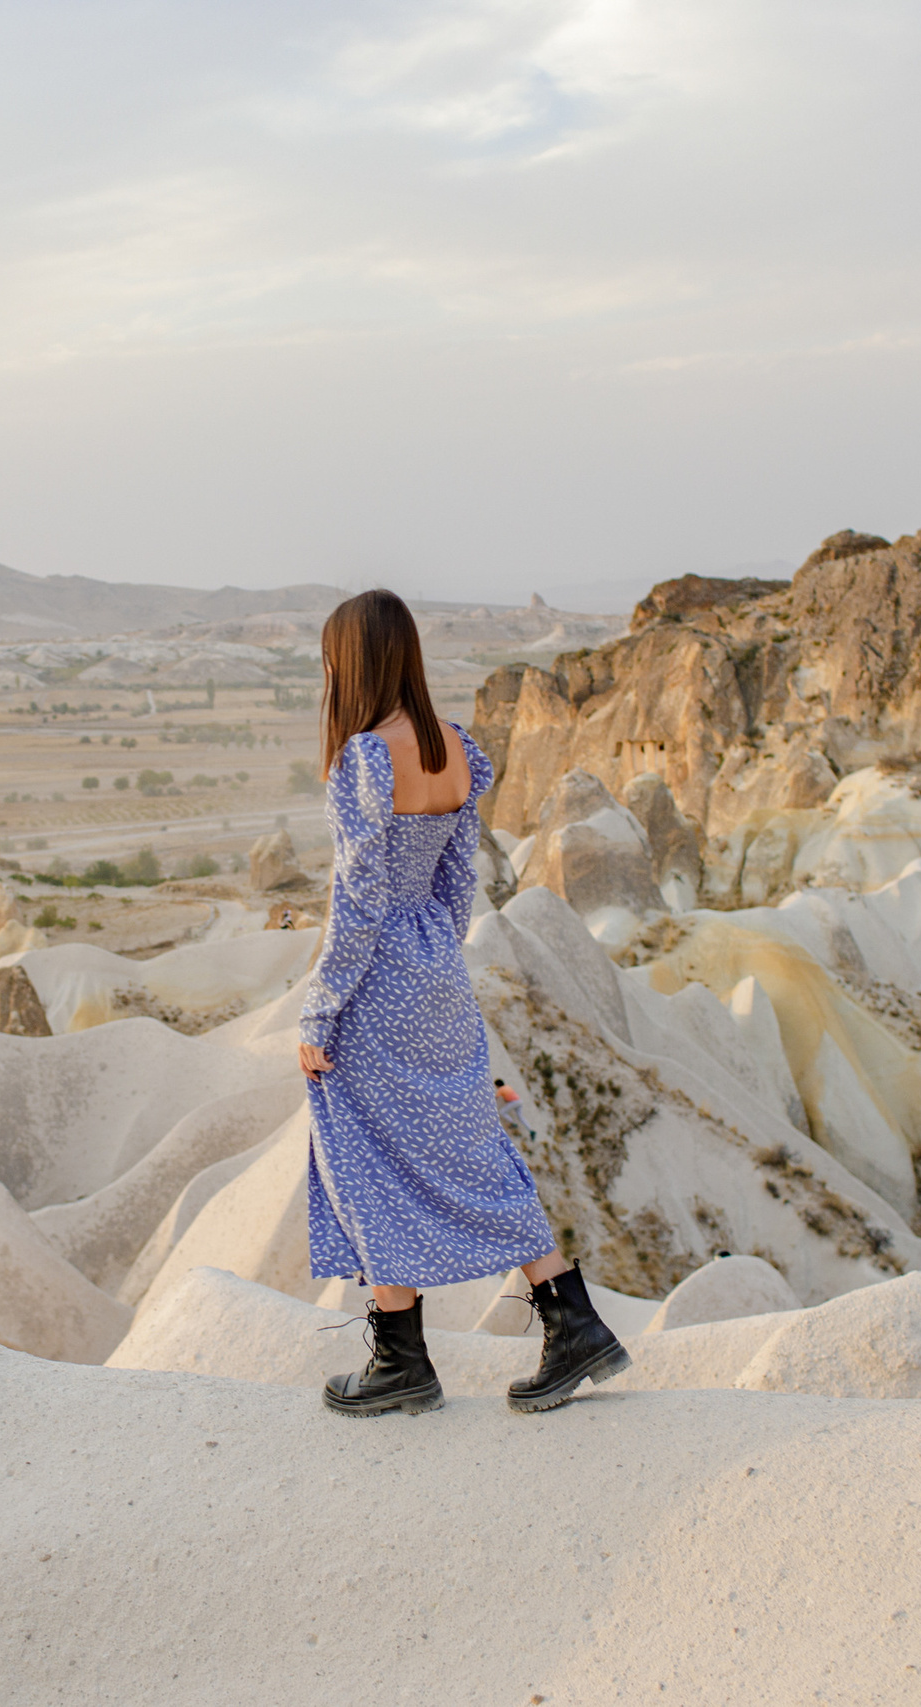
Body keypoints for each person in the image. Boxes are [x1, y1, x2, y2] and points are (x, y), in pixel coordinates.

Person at [297, 589, 630, 1417]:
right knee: (471, 1149)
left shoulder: (364, 757)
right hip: (436, 972)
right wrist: (436, 956)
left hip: (376, 985)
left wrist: (319, 1008)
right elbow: (455, 879)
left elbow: (360, 898)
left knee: (368, 1154)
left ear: (355, 662)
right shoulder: (453, 747)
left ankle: (401, 1357)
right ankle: (570, 1321)